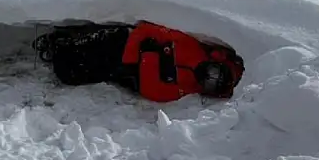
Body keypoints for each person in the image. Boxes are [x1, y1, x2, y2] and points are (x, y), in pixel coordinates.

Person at [33, 19, 245, 102]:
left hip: (125, 67)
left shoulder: (187, 88)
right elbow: (160, 31)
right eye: (215, 72)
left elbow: (153, 90)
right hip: (126, 39)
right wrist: (146, 43)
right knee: (92, 41)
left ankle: (61, 47)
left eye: (211, 81)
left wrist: (150, 56)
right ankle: (62, 39)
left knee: (68, 75)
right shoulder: (196, 48)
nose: (209, 76)